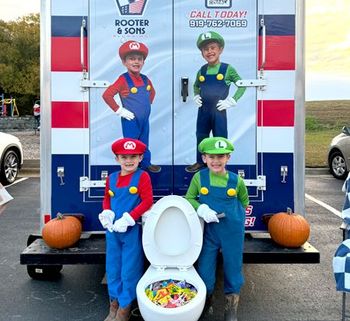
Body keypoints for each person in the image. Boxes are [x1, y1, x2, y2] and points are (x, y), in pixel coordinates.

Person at [185, 137, 249, 321]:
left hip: (232, 231)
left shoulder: (236, 181)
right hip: (209, 232)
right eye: (211, 156)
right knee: (205, 268)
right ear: (204, 158)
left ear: (228, 158)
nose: (216, 161)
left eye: (221, 156)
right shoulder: (199, 177)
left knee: (233, 267)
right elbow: (189, 198)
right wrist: (202, 209)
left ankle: (231, 309)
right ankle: (206, 303)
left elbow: (244, 202)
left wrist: (235, 220)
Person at [99, 138, 153, 321]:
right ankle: (113, 303)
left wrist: (130, 217)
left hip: (130, 231)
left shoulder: (142, 177)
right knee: (113, 267)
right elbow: (107, 197)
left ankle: (125, 306)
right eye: (124, 157)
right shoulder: (111, 178)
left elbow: (147, 201)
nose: (128, 161)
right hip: (113, 231)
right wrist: (106, 212)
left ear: (140, 158)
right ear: (117, 159)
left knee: (129, 269)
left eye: (133, 157)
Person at [186, 31, 246, 173]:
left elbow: (242, 84)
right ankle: (200, 162)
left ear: (220, 50)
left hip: (219, 110)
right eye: (206, 49)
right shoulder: (202, 70)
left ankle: (220, 164)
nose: (209, 52)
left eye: (213, 48)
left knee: (220, 137)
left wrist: (232, 100)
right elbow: (196, 86)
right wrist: (196, 96)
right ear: (202, 53)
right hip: (203, 110)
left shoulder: (227, 69)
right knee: (201, 135)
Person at [102, 40, 161, 173]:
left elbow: (152, 93)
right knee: (131, 144)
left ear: (143, 62)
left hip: (144, 120)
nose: (136, 62)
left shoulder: (146, 79)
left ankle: (146, 164)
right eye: (132, 59)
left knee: (144, 142)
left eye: (139, 59)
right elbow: (107, 95)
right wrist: (119, 110)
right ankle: (131, 168)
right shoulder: (123, 80)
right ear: (124, 62)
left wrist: (146, 107)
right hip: (130, 120)